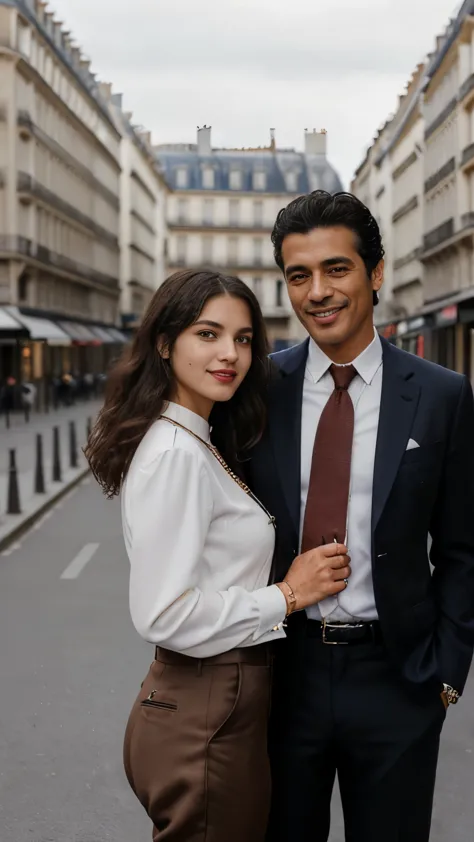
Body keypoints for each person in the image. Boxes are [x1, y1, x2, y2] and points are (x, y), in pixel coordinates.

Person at [84, 269, 352, 842]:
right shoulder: (178, 453)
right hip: (206, 706)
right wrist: (288, 595)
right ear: (164, 342)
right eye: (208, 334)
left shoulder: (199, 440)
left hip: (213, 706)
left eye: (244, 338)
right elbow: (164, 613)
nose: (230, 353)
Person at [246, 191, 474, 842]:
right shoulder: (257, 394)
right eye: (298, 275)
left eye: (336, 269)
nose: (317, 291)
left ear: (375, 273)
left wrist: (446, 677)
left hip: (398, 681)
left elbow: (463, 549)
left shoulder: (441, 396)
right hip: (281, 677)